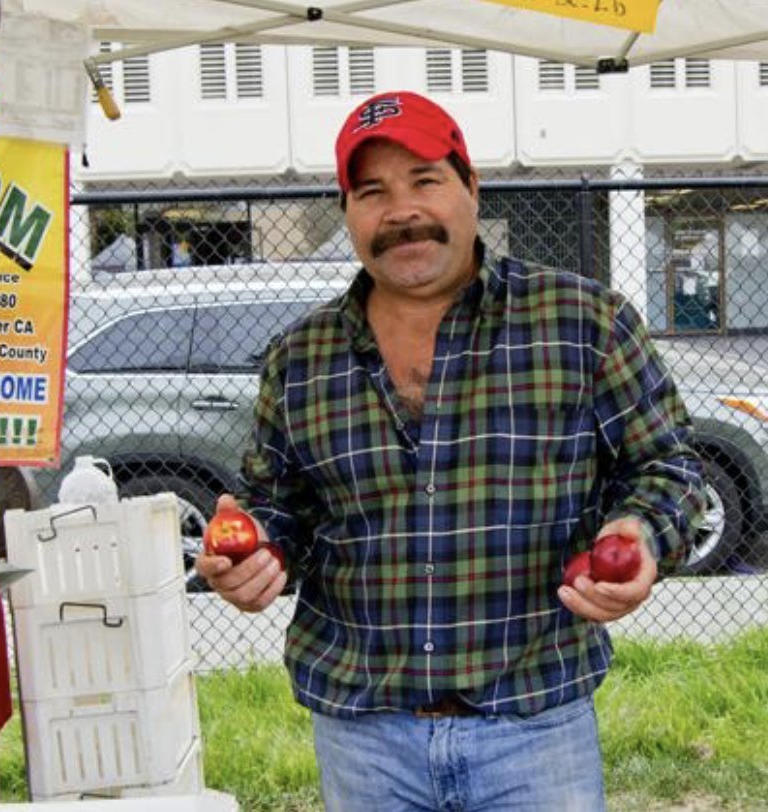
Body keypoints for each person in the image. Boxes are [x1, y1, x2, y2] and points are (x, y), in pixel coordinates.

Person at [196, 90, 706, 812]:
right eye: (372, 191)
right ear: (347, 212)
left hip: (535, 723)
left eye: (426, 181)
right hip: (364, 732)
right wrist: (255, 555)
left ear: (472, 188)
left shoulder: (583, 323)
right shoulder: (299, 357)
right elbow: (279, 506)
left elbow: (668, 465)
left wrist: (641, 535)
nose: (402, 210)